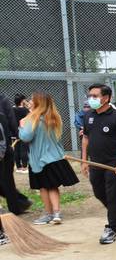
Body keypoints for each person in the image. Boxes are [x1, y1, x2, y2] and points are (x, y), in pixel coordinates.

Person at [19, 92, 80, 225]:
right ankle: (56, 213)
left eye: (32, 100)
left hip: (40, 159)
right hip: (55, 157)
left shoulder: (32, 119)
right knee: (52, 186)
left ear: (38, 103)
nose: (30, 101)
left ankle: (48, 214)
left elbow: (25, 137)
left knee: (43, 187)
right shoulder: (53, 118)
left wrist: (21, 126)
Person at [81, 83, 116, 244]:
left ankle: (111, 228)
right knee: (98, 193)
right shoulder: (88, 116)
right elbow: (86, 138)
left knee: (112, 195)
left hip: (113, 164)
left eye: (95, 96)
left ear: (106, 98)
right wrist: (84, 160)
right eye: (90, 96)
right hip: (95, 163)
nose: (91, 99)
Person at [0, 93, 32, 216]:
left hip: (3, 146)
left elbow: (10, 119)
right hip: (5, 145)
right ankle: (18, 204)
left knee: (6, 179)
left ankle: (18, 204)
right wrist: (16, 134)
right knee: (7, 179)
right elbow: (11, 120)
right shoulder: (3, 99)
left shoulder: (3, 99)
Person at [13, 94, 30, 173]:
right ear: (22, 101)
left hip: (15, 131)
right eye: (24, 100)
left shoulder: (12, 109)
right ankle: (24, 167)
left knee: (16, 149)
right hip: (23, 131)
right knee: (24, 149)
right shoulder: (25, 110)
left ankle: (18, 167)